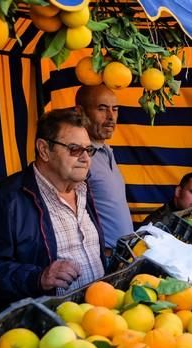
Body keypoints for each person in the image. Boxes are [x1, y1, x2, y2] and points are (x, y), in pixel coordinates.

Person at [0, 109, 106, 316]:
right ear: (44, 150)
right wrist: (39, 277)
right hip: (42, 327)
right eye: (75, 149)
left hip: (97, 317)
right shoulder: (5, 200)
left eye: (89, 150)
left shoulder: (84, 189)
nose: (86, 158)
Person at [75, 84, 133, 251]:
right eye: (102, 109)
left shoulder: (106, 151)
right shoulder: (80, 155)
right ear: (80, 112)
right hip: (103, 257)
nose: (111, 116)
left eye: (115, 109)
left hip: (123, 255)